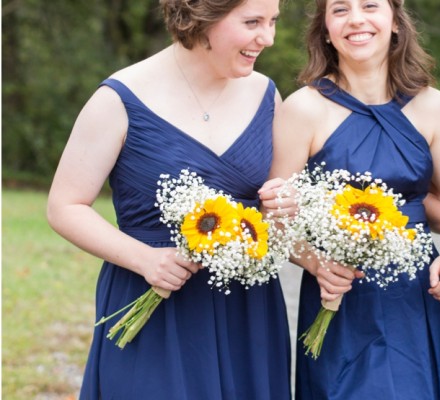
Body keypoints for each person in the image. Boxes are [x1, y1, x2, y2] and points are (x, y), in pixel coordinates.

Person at [46, 0, 293, 398]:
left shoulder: (266, 95)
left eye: (272, 21)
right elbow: (64, 206)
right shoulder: (118, 99)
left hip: (247, 311)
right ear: (202, 16)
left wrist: (280, 205)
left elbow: (274, 214)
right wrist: (146, 260)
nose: (268, 38)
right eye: (252, 22)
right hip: (155, 303)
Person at [261, 0, 440, 398]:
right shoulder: (303, 109)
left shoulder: (433, 106)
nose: (356, 19)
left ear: (395, 22)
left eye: (370, 5)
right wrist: (318, 264)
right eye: (340, 10)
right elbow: (274, 218)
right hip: (340, 298)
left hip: (417, 297)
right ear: (325, 30)